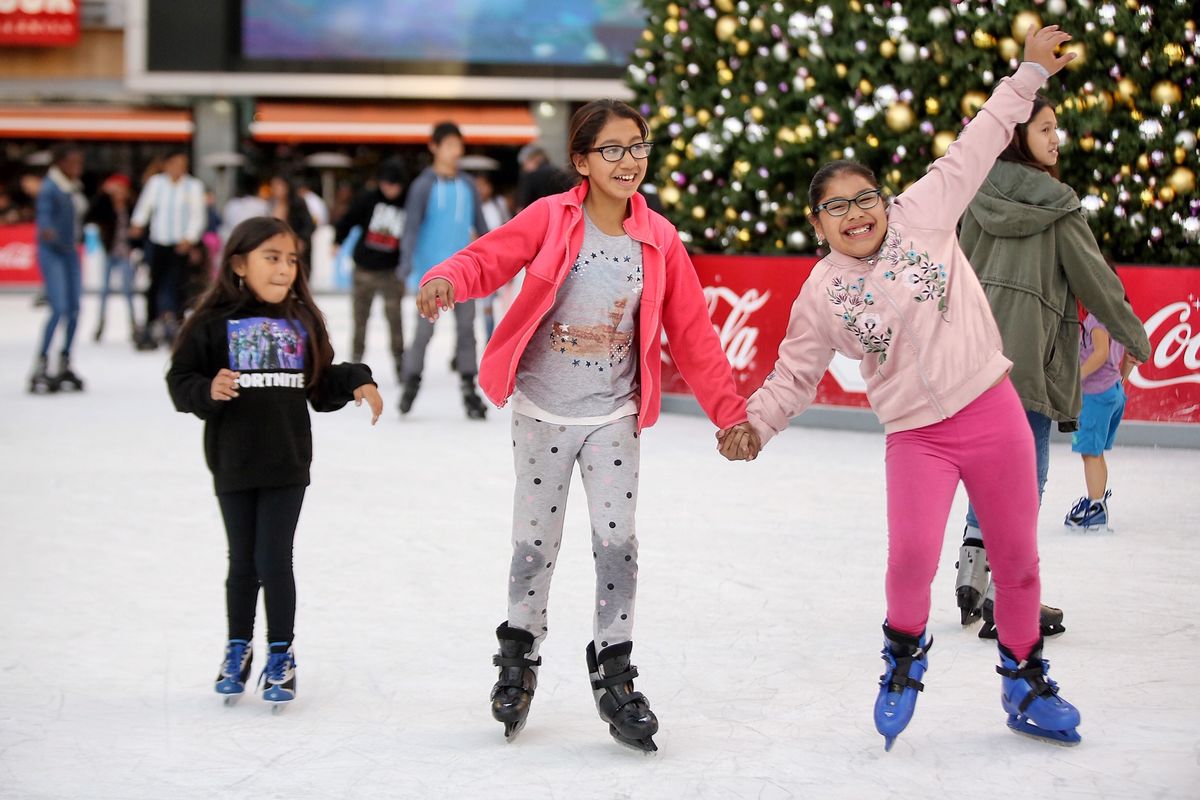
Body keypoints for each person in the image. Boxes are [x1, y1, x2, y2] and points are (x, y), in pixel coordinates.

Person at [720, 27, 1083, 750]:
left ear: (885, 200)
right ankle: (902, 661)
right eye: (837, 208)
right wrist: (756, 424)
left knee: (1016, 560)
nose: (857, 215)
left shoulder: (925, 212)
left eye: (865, 199)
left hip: (992, 411)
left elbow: (980, 138)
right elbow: (794, 370)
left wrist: (1030, 73)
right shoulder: (821, 292)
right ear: (816, 222)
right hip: (916, 435)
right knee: (912, 560)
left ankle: (1024, 677)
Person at [417, 99, 748, 751]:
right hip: (542, 411)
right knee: (534, 544)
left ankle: (615, 665)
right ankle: (519, 651)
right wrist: (445, 280)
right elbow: (487, 258)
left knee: (617, 543)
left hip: (613, 417)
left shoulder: (659, 239)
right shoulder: (551, 219)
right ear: (581, 161)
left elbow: (693, 333)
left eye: (639, 146)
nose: (630, 161)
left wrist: (729, 413)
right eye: (613, 149)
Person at [951, 94, 1150, 634]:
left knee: (986, 468)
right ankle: (1006, 596)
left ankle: (974, 564)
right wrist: (1134, 334)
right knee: (1025, 479)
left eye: (1055, 128)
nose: (1056, 137)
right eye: (1045, 128)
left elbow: (955, 271)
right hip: (1028, 364)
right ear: (1019, 137)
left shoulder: (976, 194)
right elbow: (1097, 282)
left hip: (973, 361)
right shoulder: (1058, 206)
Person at [166, 216, 383, 709]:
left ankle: (281, 653)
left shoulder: (301, 321)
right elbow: (180, 379)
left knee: (273, 559)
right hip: (233, 462)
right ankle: (237, 647)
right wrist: (206, 389)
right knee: (241, 562)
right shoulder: (211, 324)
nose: (284, 268)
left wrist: (357, 380)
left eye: (291, 259)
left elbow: (321, 382)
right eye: (272, 258)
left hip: (287, 462)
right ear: (239, 264)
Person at [398, 121, 491, 418]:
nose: (454, 151)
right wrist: (406, 263)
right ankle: (410, 384)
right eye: (448, 145)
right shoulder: (423, 185)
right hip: (430, 275)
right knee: (423, 333)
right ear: (434, 147)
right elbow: (410, 227)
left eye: (457, 145)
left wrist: (493, 261)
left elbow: (482, 227)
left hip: (465, 273)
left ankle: (468, 389)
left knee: (467, 332)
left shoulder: (468, 186)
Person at [334, 159, 408, 379]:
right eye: (386, 185)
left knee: (395, 317)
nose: (390, 190)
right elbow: (348, 220)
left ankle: (399, 360)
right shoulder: (368, 199)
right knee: (360, 317)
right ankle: (356, 359)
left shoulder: (408, 202)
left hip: (391, 271)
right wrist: (337, 240)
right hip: (364, 268)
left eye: (394, 185)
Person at [1064, 299, 1134, 530]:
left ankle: (1095, 511)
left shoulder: (1096, 318)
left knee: (1090, 453)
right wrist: (1122, 377)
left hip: (1096, 394)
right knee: (1096, 453)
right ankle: (1097, 504)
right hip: (1112, 391)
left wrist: (1076, 378)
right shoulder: (1116, 318)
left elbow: (1101, 353)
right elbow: (1131, 355)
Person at [130, 150, 206, 347]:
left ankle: (177, 323)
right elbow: (144, 207)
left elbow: (197, 215)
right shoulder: (156, 183)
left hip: (180, 243)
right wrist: (138, 223)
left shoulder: (193, 186)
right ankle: (151, 323)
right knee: (154, 283)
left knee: (179, 284)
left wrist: (190, 238)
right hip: (158, 240)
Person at [29, 143, 87, 393]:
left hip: (69, 251)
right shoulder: (50, 188)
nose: (78, 168)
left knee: (74, 309)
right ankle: (41, 362)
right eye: (73, 163)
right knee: (59, 308)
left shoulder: (72, 187)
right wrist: (47, 229)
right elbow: (43, 216)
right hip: (53, 253)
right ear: (60, 163)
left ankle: (65, 359)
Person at [86, 173, 138, 343]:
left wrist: (135, 243)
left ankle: (134, 325)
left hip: (125, 253)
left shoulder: (131, 205)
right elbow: (90, 214)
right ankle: (100, 324)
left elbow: (140, 227)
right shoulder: (105, 205)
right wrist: (102, 194)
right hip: (110, 252)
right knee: (104, 292)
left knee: (128, 291)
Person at [472, 171, 511, 341]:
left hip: (498, 259)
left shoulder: (498, 204)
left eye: (483, 185)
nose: (481, 189)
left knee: (497, 305)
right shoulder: (471, 207)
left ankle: (492, 340)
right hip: (478, 259)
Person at [268, 174, 315, 276]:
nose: (275, 189)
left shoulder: (297, 203)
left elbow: (309, 225)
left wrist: (301, 240)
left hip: (296, 247)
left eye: (278, 186)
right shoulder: (271, 204)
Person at [515, 141, 574, 212]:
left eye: (524, 164)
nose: (524, 168)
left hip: (536, 216)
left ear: (535, 159)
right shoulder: (560, 173)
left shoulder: (530, 176)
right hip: (558, 216)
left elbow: (522, 207)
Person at [220, 173, 270, 243]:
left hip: (229, 243)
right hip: (251, 244)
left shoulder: (231, 204)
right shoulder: (261, 205)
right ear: (257, 188)